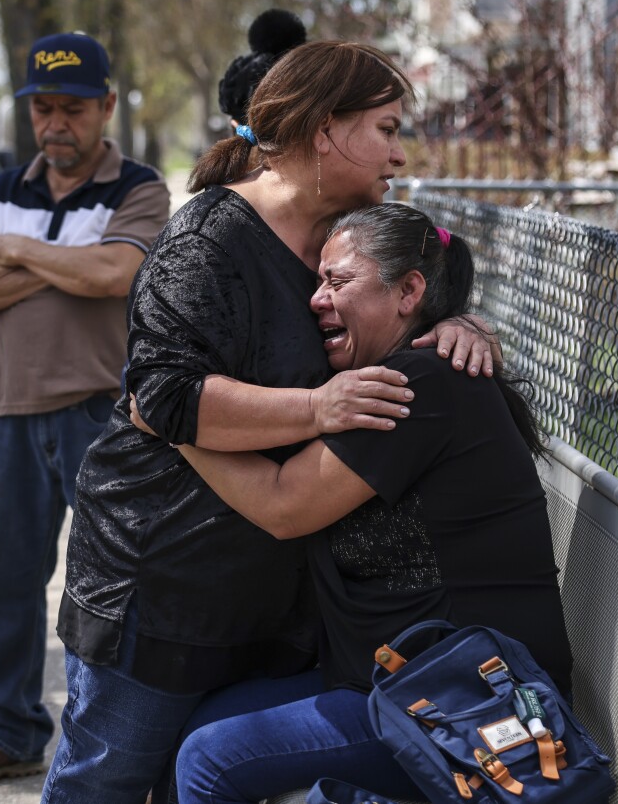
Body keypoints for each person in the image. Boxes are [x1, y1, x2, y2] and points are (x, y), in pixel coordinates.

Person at [46, 41, 502, 803]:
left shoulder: (342, 238)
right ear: (325, 130)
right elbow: (161, 398)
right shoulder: (206, 246)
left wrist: (464, 324)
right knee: (109, 783)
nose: (397, 154)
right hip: (159, 588)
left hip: (271, 598)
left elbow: (408, 295)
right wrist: (318, 407)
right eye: (384, 129)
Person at [145, 204, 569, 803]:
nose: (316, 299)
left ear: (409, 291)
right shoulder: (395, 373)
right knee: (199, 724)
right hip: (398, 685)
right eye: (318, 281)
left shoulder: (419, 385)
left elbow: (284, 506)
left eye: (338, 282)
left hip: (474, 706)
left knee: (213, 757)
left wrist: (172, 421)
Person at [0, 32, 173, 791]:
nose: (55, 123)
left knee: (108, 585)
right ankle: (11, 730)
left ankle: (116, 738)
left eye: (71, 108)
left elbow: (117, 273)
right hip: (14, 412)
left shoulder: (139, 187)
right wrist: (65, 263)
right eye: (43, 108)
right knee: (5, 580)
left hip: (102, 413)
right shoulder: (1, 190)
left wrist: (21, 253)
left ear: (105, 106)